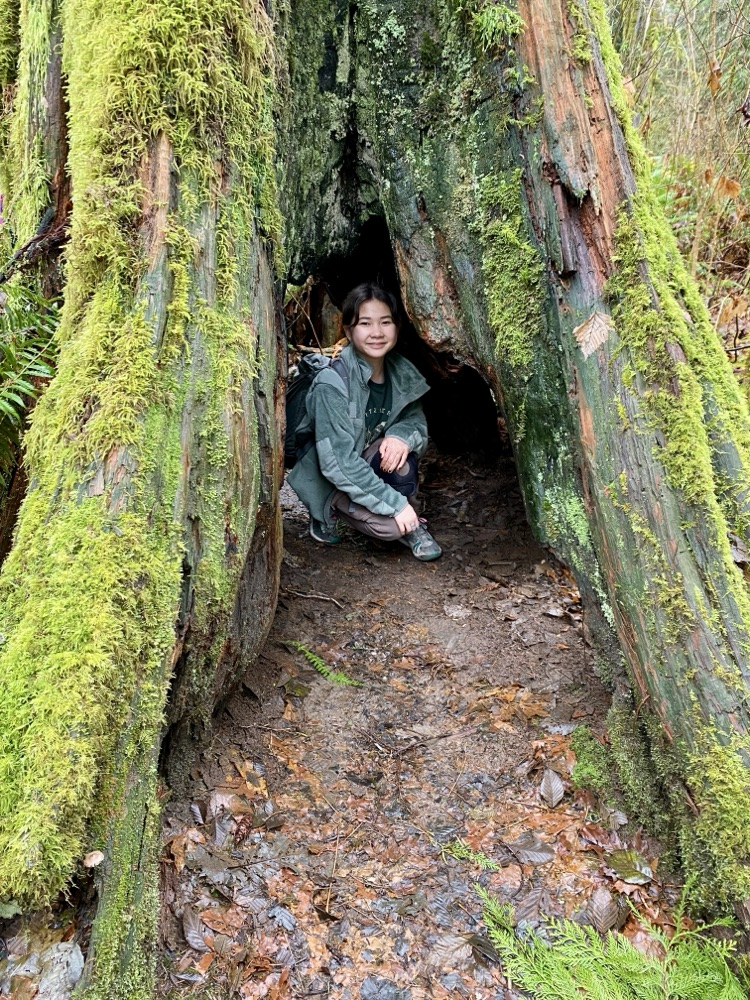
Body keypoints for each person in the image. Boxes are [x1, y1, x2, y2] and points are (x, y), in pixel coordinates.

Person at [288, 283, 442, 561]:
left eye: (385, 322)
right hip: (331, 473)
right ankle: (327, 508)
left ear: (396, 327)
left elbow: (415, 421)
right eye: (365, 323)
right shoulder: (332, 384)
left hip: (368, 457)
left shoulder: (401, 372)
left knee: (402, 463)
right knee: (391, 527)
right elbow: (338, 463)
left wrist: (401, 437)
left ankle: (413, 522)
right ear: (348, 331)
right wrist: (395, 505)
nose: (377, 333)